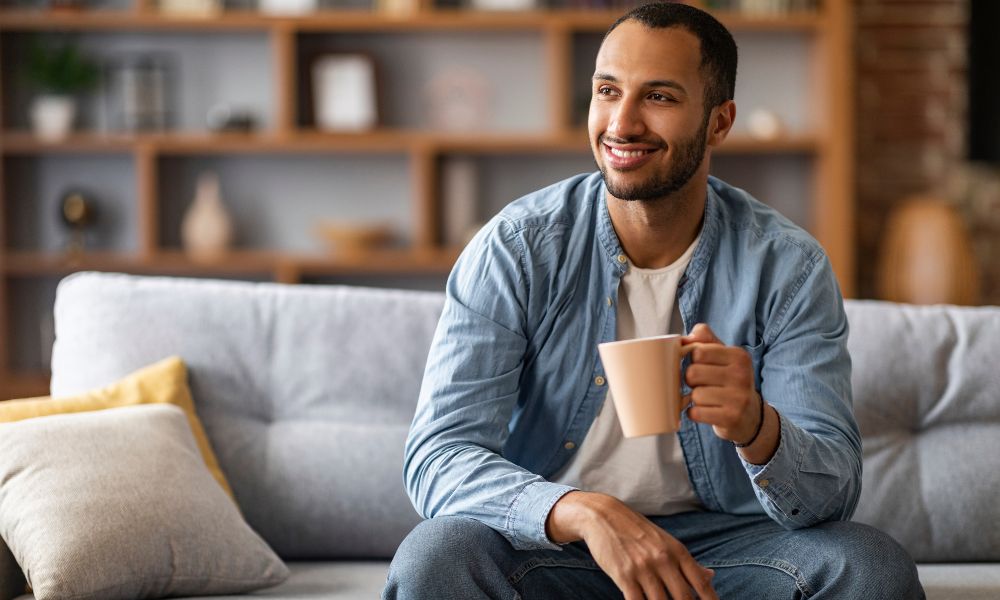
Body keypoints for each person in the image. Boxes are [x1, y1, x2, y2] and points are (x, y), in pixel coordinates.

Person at [384, 3, 924, 598]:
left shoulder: (788, 267)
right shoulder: (517, 249)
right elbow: (440, 455)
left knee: (869, 565)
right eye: (607, 91)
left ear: (719, 122)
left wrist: (756, 426)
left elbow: (832, 497)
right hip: (561, 546)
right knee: (435, 557)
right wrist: (583, 512)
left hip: (730, 552)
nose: (622, 123)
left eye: (659, 97)